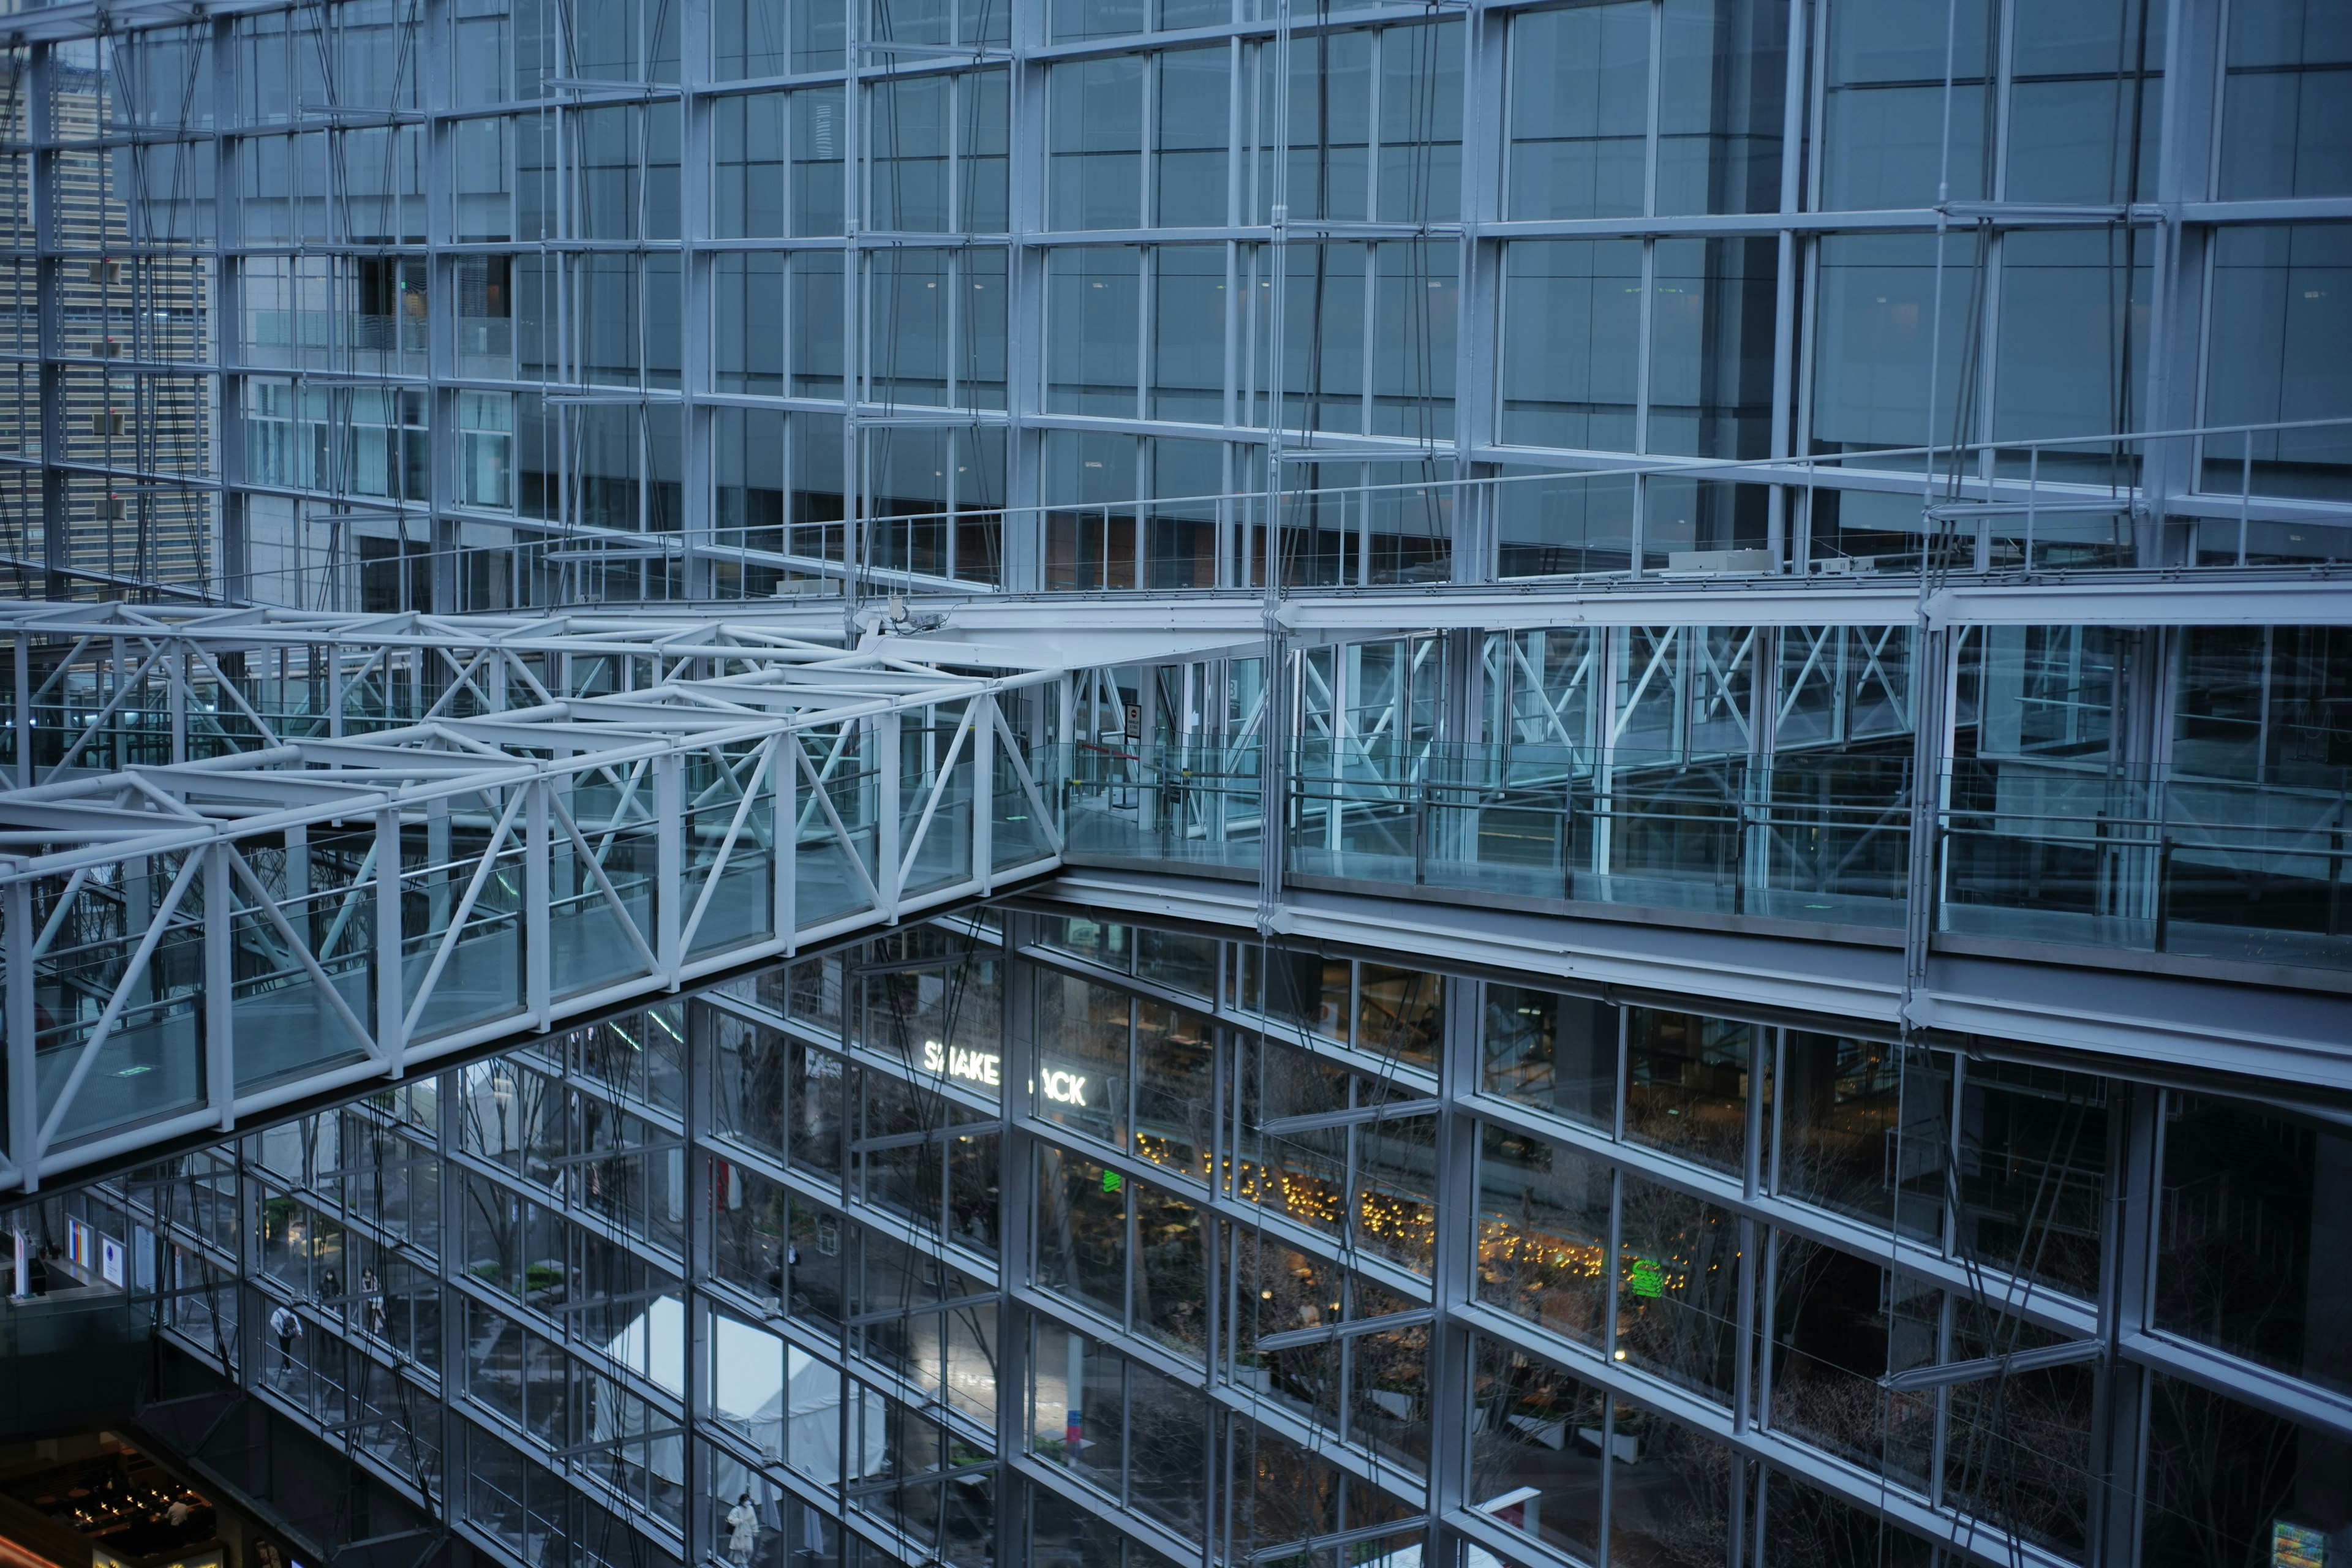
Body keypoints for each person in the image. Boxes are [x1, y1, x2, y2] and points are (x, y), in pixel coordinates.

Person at [268, 1302, 303, 1377]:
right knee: (287, 1348)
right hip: (290, 1334)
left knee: (284, 1349)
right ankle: (287, 1366)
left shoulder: (277, 1313)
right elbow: (296, 1322)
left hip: (283, 1335)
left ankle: (288, 1367)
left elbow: (273, 1323)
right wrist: (299, 1332)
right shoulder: (289, 1312)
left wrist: (279, 1330)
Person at [725, 1493, 757, 1567]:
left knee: (749, 1550)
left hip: (748, 1532)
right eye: (746, 1500)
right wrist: (739, 1521)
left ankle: (744, 1562)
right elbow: (731, 1520)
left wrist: (755, 1530)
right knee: (740, 1550)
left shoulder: (751, 1509)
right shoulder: (736, 1510)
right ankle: (744, 1565)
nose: (747, 1502)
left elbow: (753, 1521)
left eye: (748, 1500)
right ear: (742, 1501)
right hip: (739, 1534)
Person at [359, 1268, 385, 1336]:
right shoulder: (362, 1280)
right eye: (366, 1272)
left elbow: (377, 1286)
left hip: (373, 1298)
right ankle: (366, 1325)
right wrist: (370, 1290)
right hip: (366, 1298)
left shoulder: (374, 1278)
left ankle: (376, 1328)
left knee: (374, 1314)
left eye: (369, 1272)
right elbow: (362, 1291)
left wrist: (376, 1289)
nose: (368, 1274)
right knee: (366, 1312)